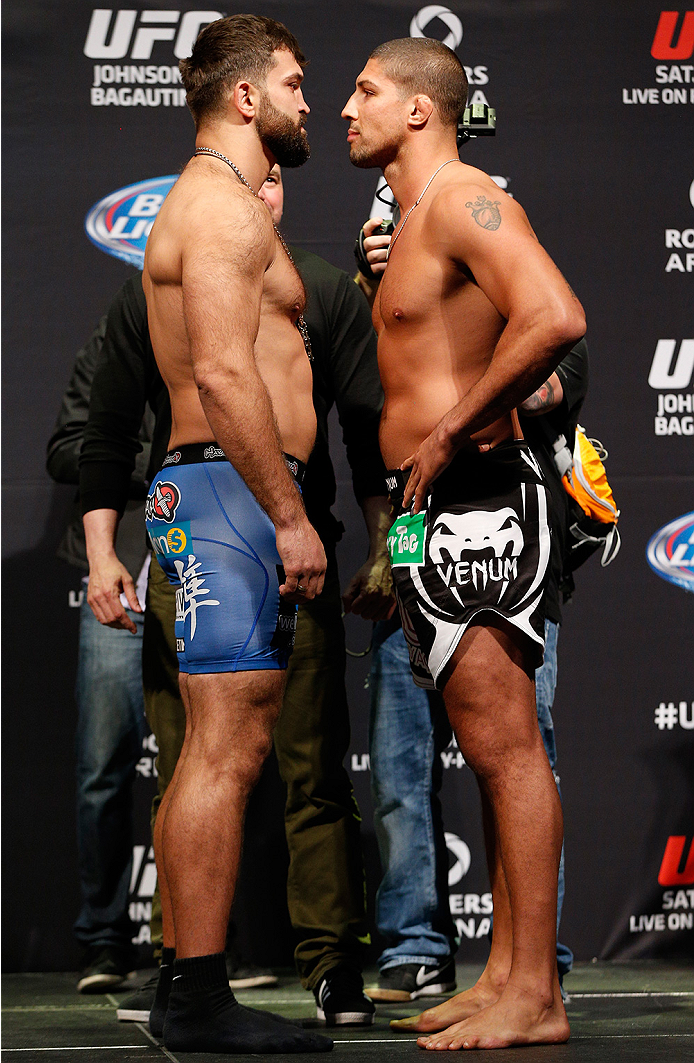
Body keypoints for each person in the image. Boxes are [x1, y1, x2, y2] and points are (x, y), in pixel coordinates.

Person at [342, 37, 586, 1051]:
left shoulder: (461, 197)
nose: (345, 108)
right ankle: (504, 975)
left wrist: (450, 429)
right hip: (432, 509)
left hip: (484, 495)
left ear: (416, 111)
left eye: (363, 90)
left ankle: (537, 992)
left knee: (507, 750)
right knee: (487, 756)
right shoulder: (404, 224)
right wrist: (397, 529)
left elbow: (557, 314)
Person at [100, 14, 332, 1053]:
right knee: (227, 751)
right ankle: (196, 996)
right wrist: (287, 515)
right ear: (245, 97)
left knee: (213, 747)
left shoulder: (216, 205)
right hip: (235, 499)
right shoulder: (225, 214)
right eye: (292, 81)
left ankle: (183, 986)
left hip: (214, 497)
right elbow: (227, 376)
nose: (306, 99)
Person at [46, 328, 152, 993]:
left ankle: (202, 946)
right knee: (103, 768)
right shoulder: (112, 346)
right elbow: (64, 449)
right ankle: (104, 940)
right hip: (119, 568)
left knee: (208, 763)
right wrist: (163, 457)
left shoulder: (234, 334)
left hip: (208, 568)